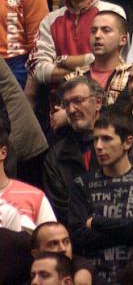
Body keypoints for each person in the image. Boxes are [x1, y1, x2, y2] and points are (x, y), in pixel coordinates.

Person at [68, 109, 133, 283]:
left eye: (106, 139)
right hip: (94, 278)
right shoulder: (81, 184)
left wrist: (97, 223)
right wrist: (131, 230)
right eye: (95, 139)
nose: (98, 146)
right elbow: (78, 237)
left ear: (127, 142)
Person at [28, 0, 124, 89]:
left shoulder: (113, 13)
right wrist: (84, 69)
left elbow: (113, 61)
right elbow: (38, 68)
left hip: (105, 97)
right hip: (61, 100)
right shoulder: (50, 20)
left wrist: (62, 60)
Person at [41, 78, 106, 226]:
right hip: (77, 233)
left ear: (98, 102)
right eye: (66, 104)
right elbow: (60, 208)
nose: (71, 110)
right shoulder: (56, 156)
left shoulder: (120, 143)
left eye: (78, 101)